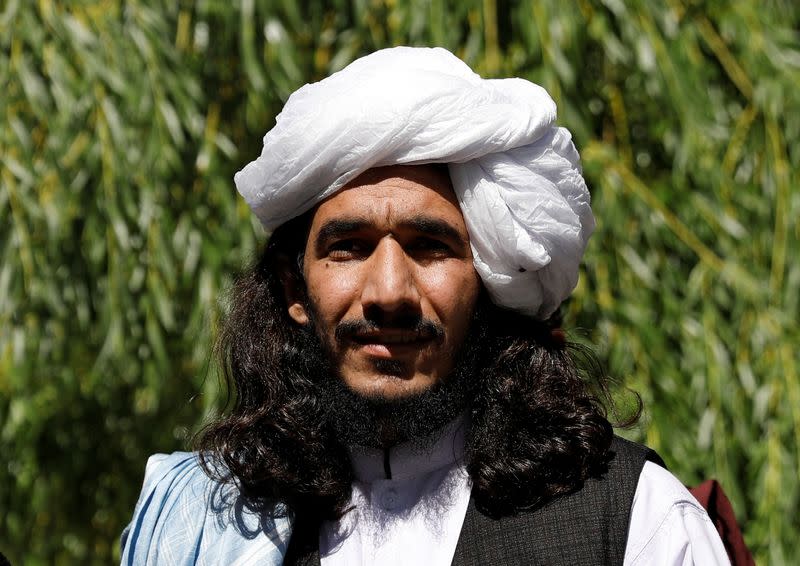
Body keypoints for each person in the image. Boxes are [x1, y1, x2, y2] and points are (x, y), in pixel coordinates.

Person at [121, 46, 731, 565]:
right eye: (349, 248)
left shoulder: (634, 522)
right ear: (293, 292)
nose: (389, 291)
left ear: (488, 281)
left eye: (431, 247)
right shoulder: (215, 524)